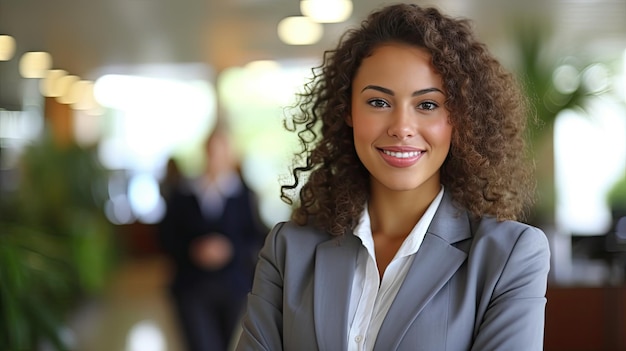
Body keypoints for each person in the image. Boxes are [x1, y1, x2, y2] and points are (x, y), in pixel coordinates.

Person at [235, 3, 550, 351]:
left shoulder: (508, 256)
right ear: (348, 110)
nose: (401, 128)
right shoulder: (288, 249)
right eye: (378, 103)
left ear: (460, 117)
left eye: (427, 105)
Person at [158, 121, 267, 351]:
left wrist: (230, 250)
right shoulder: (184, 192)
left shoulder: (246, 195)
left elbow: (256, 237)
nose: (217, 157)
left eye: (223, 150)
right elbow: (166, 236)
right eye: (212, 150)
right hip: (192, 286)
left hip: (233, 286)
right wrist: (193, 250)